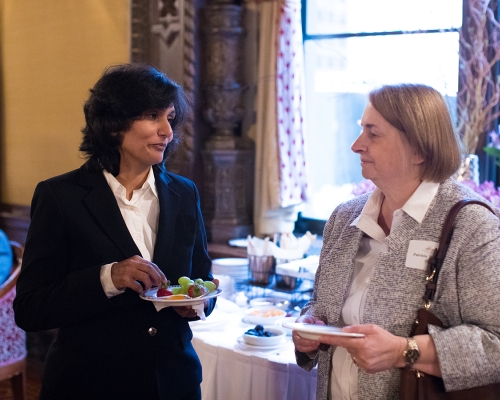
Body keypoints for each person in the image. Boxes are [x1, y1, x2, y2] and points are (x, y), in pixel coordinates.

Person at [13, 63, 215, 400]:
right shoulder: (60, 197)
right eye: (153, 116)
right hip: (89, 385)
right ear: (113, 125)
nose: (168, 130)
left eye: (170, 117)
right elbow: (30, 309)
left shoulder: (185, 193)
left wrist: (195, 303)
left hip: (172, 383)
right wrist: (109, 278)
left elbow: (200, 280)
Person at [292, 83, 500, 399]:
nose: (356, 145)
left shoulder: (471, 225)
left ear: (419, 149)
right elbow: (322, 305)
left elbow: (495, 345)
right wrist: (312, 327)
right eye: (361, 130)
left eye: (373, 134)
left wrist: (405, 351)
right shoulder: (344, 218)